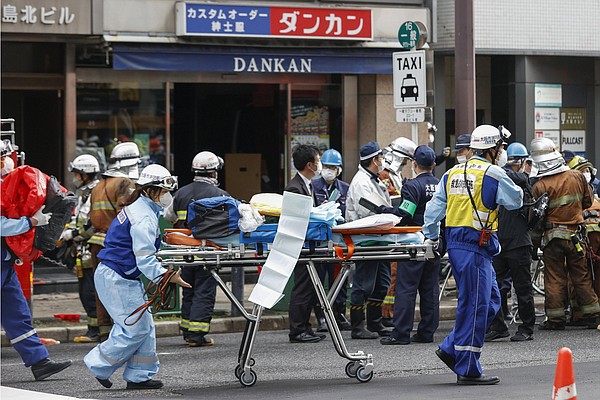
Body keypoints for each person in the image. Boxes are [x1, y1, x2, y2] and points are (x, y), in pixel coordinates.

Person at [423, 125, 523, 385]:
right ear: (491, 149)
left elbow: (433, 211)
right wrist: (511, 177)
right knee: (477, 305)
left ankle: (451, 347)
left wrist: (432, 236)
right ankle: (467, 367)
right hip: (475, 247)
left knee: (490, 300)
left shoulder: (451, 173)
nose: (501, 152)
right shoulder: (493, 173)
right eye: (500, 148)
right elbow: (516, 200)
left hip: (460, 246)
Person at [84, 164, 192, 390]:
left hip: (119, 276)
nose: (168, 196)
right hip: (117, 278)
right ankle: (98, 363)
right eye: (164, 191)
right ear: (151, 190)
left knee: (144, 326)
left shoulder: (141, 209)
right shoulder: (143, 216)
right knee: (135, 328)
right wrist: (167, 276)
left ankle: (139, 376)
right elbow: (144, 259)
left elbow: (144, 248)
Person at [1, 140, 72, 381]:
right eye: (1, 157)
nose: (6, 161)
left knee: (17, 313)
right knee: (15, 311)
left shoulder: (4, 186)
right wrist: (31, 223)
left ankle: (39, 362)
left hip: (4, 261)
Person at [530, 138, 600, 330]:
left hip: (552, 240)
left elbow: (537, 220)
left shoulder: (539, 186)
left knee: (554, 278)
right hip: (576, 237)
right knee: (581, 276)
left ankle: (555, 319)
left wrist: (534, 245)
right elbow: (588, 202)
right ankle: (593, 315)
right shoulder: (577, 177)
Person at [164, 151, 228, 347]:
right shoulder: (221, 196)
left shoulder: (181, 193)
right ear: (213, 173)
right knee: (204, 291)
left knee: (189, 290)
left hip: (185, 251)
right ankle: (196, 335)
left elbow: (168, 216)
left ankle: (186, 330)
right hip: (208, 251)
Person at [379, 146, 441, 345]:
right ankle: (426, 332)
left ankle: (401, 333)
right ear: (433, 164)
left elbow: (406, 213)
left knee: (406, 287)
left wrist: (385, 210)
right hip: (436, 241)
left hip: (413, 240)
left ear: (414, 164)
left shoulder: (412, 186)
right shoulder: (441, 184)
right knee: (430, 288)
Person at [484, 141, 537, 342]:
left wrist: (498, 168)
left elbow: (518, 177)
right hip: (499, 242)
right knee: (494, 286)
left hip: (518, 243)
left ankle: (526, 327)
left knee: (522, 287)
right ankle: (498, 326)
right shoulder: (498, 177)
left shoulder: (523, 180)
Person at [89, 142, 140, 341]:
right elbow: (126, 214)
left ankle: (104, 331)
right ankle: (123, 331)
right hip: (115, 245)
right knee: (122, 288)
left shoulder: (99, 185)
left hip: (96, 242)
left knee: (101, 289)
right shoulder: (124, 183)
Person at [346, 141, 393, 339]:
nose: (382, 161)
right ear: (374, 160)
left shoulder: (373, 179)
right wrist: (387, 211)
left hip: (379, 238)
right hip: (365, 238)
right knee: (363, 283)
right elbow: (368, 209)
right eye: (381, 157)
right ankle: (357, 326)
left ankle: (375, 322)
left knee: (382, 283)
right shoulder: (361, 182)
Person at [286, 144, 326, 343]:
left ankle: (305, 326)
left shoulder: (309, 185)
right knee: (302, 287)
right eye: (318, 161)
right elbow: (298, 218)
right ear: (310, 165)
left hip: (312, 243)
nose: (320, 165)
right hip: (301, 244)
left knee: (310, 287)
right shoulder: (294, 187)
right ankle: (297, 329)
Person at [62, 154, 102, 343]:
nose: (74, 177)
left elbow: (91, 224)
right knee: (86, 291)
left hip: (91, 250)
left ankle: (96, 331)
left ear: (86, 174)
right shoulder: (84, 193)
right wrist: (67, 231)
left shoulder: (95, 193)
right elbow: (77, 218)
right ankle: (95, 329)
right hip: (82, 250)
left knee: (90, 291)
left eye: (77, 174)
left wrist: (71, 235)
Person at [310, 148, 351, 332]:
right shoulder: (312, 186)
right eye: (326, 166)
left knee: (339, 280)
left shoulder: (345, 189)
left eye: (333, 167)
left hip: (338, 242)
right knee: (318, 280)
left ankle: (339, 314)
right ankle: (321, 317)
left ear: (339, 169)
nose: (329, 170)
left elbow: (349, 213)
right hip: (319, 241)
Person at [380, 137, 417, 327]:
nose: (406, 163)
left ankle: (390, 312)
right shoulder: (385, 176)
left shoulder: (394, 175)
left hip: (396, 229)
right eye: (405, 160)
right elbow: (395, 202)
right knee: (393, 274)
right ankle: (387, 313)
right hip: (391, 228)